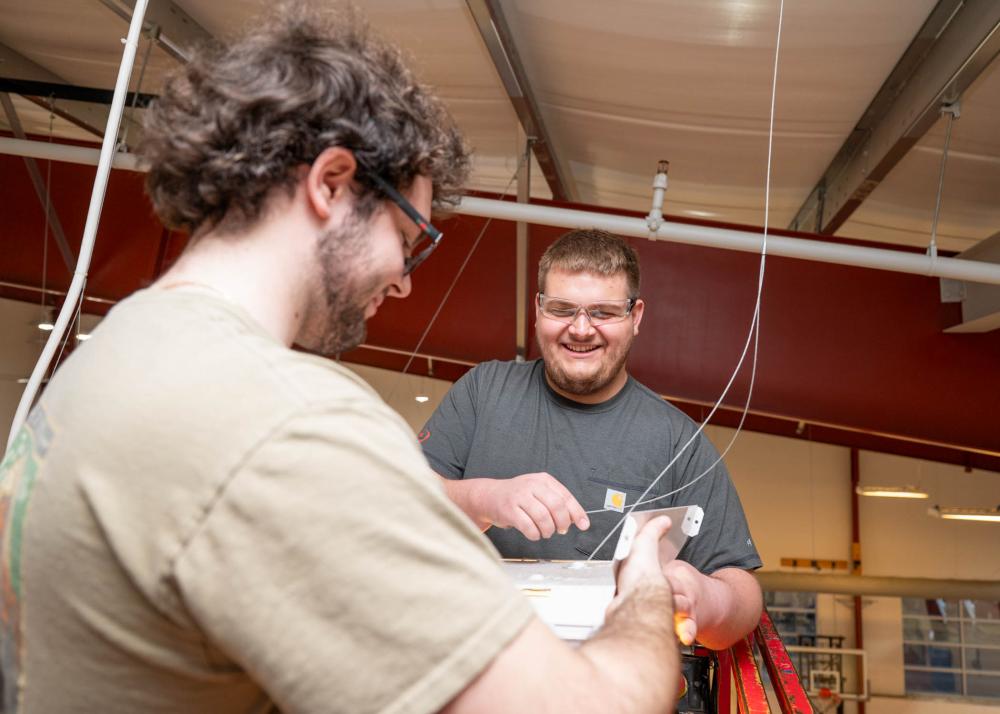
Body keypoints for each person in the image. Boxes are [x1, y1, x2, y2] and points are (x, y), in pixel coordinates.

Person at [0, 6, 684, 713]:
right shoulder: (290, 423)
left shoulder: (121, 347)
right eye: (408, 235)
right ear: (331, 182)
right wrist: (642, 585)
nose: (403, 278)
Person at [421, 229, 763, 650]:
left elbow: (741, 587)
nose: (581, 330)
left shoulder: (678, 442)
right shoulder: (483, 392)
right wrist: (481, 497)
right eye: (562, 308)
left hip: (606, 681)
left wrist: (705, 598)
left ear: (635, 317)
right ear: (538, 309)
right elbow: (399, 503)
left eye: (603, 312)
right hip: (470, 658)